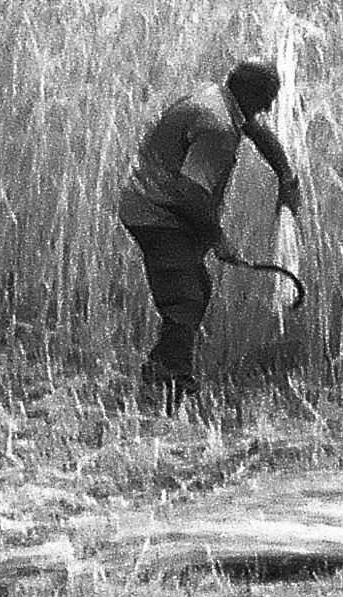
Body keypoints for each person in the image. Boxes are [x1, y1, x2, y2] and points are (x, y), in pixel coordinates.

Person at [113, 60, 302, 404]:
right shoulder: (218, 125)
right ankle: (169, 382)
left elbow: (258, 133)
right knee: (186, 298)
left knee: (196, 288)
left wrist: (285, 176)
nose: (270, 107)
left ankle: (162, 368)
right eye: (267, 98)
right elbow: (190, 191)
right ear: (248, 93)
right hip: (155, 214)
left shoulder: (220, 99)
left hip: (153, 204)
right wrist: (218, 239)